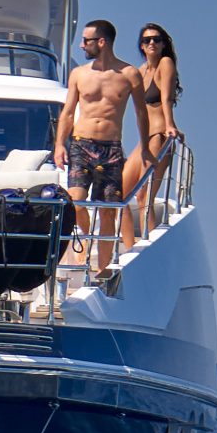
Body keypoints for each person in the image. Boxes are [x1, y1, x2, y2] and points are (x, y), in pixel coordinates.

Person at [54, 19, 143, 269]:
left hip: (110, 148)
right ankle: (85, 236)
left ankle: (103, 270)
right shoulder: (79, 74)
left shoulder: (129, 74)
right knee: (75, 202)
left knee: (108, 211)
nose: (81, 45)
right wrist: (59, 145)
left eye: (86, 40)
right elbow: (68, 112)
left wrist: (146, 147)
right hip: (81, 145)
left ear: (101, 42)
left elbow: (141, 114)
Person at [120, 23, 181, 235]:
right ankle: (131, 247)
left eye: (156, 39)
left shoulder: (165, 63)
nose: (152, 43)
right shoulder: (140, 71)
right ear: (141, 46)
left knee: (145, 196)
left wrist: (170, 125)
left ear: (163, 44)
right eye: (147, 40)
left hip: (160, 135)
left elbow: (166, 98)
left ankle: (149, 244)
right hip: (144, 141)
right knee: (120, 196)